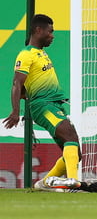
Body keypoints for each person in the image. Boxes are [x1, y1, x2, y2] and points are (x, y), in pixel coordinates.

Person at [2, 14, 82, 190]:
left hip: (54, 104)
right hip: (43, 106)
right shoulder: (26, 54)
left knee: (75, 150)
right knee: (70, 136)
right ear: (38, 30)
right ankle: (74, 183)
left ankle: (44, 183)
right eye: (50, 31)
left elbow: (24, 88)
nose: (52, 35)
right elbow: (17, 83)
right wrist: (16, 111)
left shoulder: (41, 54)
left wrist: (26, 93)